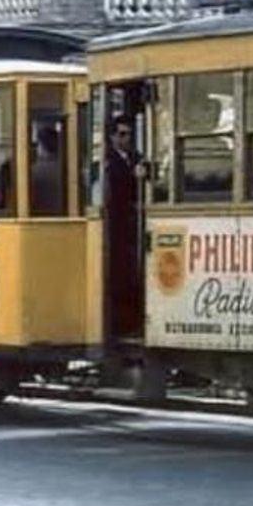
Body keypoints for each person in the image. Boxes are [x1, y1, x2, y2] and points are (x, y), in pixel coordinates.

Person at [106, 119, 142, 341]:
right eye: (121, 134)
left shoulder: (137, 157)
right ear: (112, 137)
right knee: (120, 275)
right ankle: (121, 324)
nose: (126, 139)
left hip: (132, 226)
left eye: (128, 134)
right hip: (116, 227)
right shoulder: (108, 162)